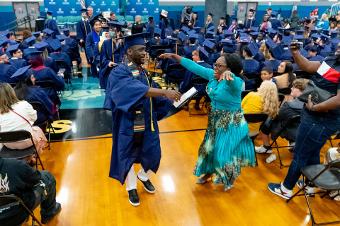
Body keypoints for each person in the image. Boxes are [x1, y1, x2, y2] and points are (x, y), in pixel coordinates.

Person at [104, 33, 181, 206]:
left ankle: (143, 175)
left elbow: (153, 92)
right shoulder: (119, 72)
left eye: (145, 49)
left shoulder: (143, 72)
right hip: (128, 124)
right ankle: (131, 187)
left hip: (148, 122)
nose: (144, 53)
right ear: (129, 51)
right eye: (140, 50)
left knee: (153, 153)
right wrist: (164, 92)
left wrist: (173, 100)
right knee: (128, 155)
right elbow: (132, 89)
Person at [160, 52, 256, 191]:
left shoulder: (235, 82)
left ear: (229, 68)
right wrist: (175, 56)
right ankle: (208, 172)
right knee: (208, 149)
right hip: (215, 120)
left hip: (232, 122)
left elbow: (234, 82)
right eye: (215, 64)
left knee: (224, 153)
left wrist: (231, 76)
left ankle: (229, 177)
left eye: (219, 65)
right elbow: (194, 66)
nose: (215, 67)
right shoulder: (212, 75)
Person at [268, 41, 340, 200]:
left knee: (301, 153)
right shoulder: (332, 61)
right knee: (312, 150)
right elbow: (308, 66)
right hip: (313, 114)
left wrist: (315, 108)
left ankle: (286, 188)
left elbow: (338, 100)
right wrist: (295, 53)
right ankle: (311, 185)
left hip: (322, 119)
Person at [256, 79, 309, 163]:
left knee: (267, 122)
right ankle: (293, 143)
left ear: (300, 90)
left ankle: (266, 147)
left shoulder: (289, 105)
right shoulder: (312, 105)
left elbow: (276, 116)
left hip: (288, 131)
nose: (291, 88)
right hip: (304, 132)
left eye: (294, 87)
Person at [0, 157, 61, 225]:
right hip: (19, 213)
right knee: (48, 177)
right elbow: (36, 178)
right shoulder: (15, 165)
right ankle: (49, 214)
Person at [0, 83, 47, 154]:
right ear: (12, 92)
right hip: (27, 142)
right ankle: (31, 157)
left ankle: (26, 159)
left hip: (8, 144)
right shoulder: (24, 105)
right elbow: (34, 118)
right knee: (37, 129)